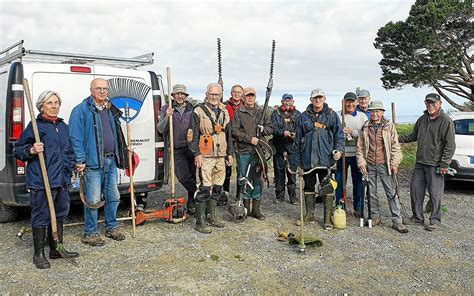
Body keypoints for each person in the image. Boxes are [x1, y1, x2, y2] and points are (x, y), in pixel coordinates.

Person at [14, 91, 79, 269]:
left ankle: (56, 249)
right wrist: (31, 150)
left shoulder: (63, 126)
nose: (54, 106)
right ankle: (38, 255)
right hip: (41, 181)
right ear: (42, 106)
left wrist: (74, 164)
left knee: (60, 214)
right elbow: (18, 150)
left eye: (56, 102)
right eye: (50, 103)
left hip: (61, 180)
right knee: (41, 216)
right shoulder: (35, 126)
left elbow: (69, 151)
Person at [69, 78, 127, 246]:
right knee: (93, 199)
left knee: (113, 197)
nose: (102, 91)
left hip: (110, 160)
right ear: (91, 90)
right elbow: (75, 138)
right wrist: (79, 160)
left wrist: (123, 149)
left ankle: (111, 228)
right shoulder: (81, 110)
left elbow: (116, 134)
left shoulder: (110, 110)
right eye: (98, 88)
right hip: (93, 163)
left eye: (105, 89)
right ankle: (90, 232)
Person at [398, 93, 455, 231]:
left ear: (439, 103)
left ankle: (434, 219)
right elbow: (414, 135)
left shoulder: (445, 121)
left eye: (433, 103)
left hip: (435, 164)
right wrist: (397, 138)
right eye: (428, 103)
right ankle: (417, 217)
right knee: (416, 190)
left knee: (435, 194)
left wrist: (445, 163)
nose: (430, 105)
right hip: (420, 162)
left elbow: (450, 145)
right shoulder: (423, 119)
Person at [293, 89, 344, 230]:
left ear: (324, 98)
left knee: (327, 187)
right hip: (307, 158)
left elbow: (339, 136)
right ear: (311, 99)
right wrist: (297, 162)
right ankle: (309, 215)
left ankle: (327, 219)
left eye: (320, 97)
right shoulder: (302, 117)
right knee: (308, 187)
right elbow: (297, 140)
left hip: (326, 159)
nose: (317, 100)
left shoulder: (332, 115)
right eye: (315, 98)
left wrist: (339, 151)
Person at [356, 100, 408, 233]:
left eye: (377, 111)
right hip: (370, 165)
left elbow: (396, 146)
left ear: (382, 113)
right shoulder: (365, 127)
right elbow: (360, 147)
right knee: (371, 193)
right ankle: (375, 217)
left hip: (385, 165)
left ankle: (397, 220)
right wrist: (361, 161)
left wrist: (394, 162)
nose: (374, 114)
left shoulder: (389, 126)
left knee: (391, 192)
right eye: (372, 111)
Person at [188, 83, 234, 233]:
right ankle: (199, 222)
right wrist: (196, 153)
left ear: (221, 95)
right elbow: (192, 134)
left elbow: (228, 134)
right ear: (206, 94)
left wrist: (230, 154)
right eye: (211, 94)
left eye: (217, 95)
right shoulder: (198, 111)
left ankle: (211, 216)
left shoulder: (225, 111)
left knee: (218, 186)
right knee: (204, 187)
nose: (214, 97)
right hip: (205, 155)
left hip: (221, 155)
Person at [232, 87, 273, 220]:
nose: (250, 98)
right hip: (244, 151)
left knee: (257, 179)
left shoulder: (261, 112)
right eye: (247, 96)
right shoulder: (239, 113)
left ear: (255, 97)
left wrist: (264, 130)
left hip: (259, 152)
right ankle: (245, 209)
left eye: (252, 95)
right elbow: (235, 131)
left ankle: (256, 210)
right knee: (244, 179)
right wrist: (250, 139)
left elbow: (270, 128)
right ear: (243, 98)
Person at [157, 84, 197, 214]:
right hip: (176, 148)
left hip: (192, 147)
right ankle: (199, 192)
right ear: (173, 96)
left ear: (186, 96)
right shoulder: (166, 108)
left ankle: (192, 202)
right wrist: (167, 117)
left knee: (192, 175)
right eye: (177, 94)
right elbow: (160, 129)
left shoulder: (193, 109)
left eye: (182, 94)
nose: (180, 96)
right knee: (183, 177)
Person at [335, 92, 367, 215]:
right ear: (343, 102)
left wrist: (353, 132)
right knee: (339, 181)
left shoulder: (362, 117)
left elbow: (366, 135)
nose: (350, 104)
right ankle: (339, 205)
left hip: (356, 154)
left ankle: (358, 206)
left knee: (358, 181)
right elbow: (332, 132)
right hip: (341, 154)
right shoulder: (337, 115)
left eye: (352, 101)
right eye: (347, 101)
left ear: (356, 102)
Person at [271, 93, 300, 204]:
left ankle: (293, 196)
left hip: (292, 148)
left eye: (289, 100)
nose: (287, 102)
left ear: (293, 101)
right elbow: (273, 127)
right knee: (279, 173)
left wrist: (295, 134)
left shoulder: (298, 114)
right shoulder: (276, 113)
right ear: (282, 101)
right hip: (279, 146)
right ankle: (279, 195)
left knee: (292, 173)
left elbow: (300, 129)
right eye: (285, 100)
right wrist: (282, 132)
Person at [221, 84, 243, 204]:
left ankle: (239, 195)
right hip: (227, 140)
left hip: (241, 142)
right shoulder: (224, 106)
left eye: (239, 92)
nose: (236, 94)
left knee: (241, 169)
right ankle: (225, 193)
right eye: (234, 92)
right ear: (231, 93)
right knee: (226, 169)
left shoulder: (245, 107)